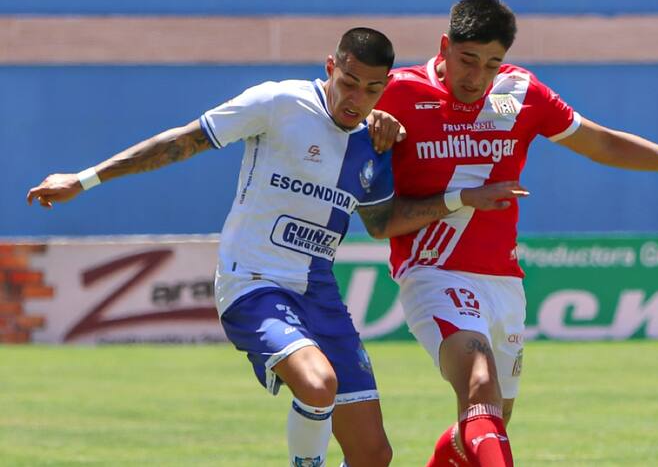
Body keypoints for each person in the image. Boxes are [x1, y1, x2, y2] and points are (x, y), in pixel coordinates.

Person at [27, 27, 528, 467]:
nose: (356, 98)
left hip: (319, 294)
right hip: (254, 281)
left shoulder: (374, 146)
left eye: (373, 90)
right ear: (330, 67)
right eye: (348, 82)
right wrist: (85, 179)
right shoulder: (279, 102)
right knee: (317, 385)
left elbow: (382, 225)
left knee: (374, 455)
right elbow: (182, 141)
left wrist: (461, 199)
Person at [376, 0, 658, 466]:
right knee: (479, 385)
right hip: (433, 271)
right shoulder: (395, 92)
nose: (476, 77)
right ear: (445, 46)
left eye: (491, 63)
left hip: (503, 280)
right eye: (467, 60)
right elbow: (335, 114)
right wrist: (369, 120)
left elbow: (598, 142)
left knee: (488, 421)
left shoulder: (519, 92)